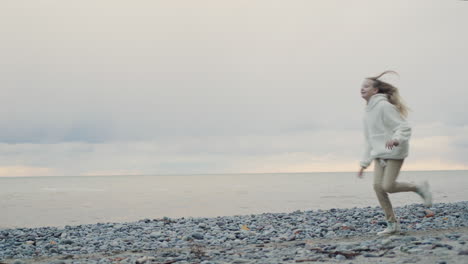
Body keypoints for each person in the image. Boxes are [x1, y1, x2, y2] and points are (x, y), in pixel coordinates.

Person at [357, 70, 432, 236]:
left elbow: (403, 126)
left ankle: (418, 187)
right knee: (378, 187)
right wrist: (364, 164)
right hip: (379, 154)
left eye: (366, 86)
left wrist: (397, 139)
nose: (362, 88)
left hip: (394, 151)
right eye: (361, 86)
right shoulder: (367, 113)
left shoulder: (384, 106)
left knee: (388, 186)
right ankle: (392, 224)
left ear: (375, 90)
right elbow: (369, 140)